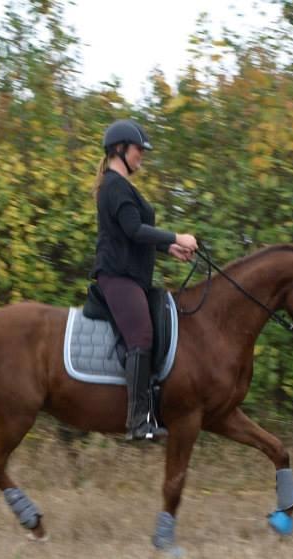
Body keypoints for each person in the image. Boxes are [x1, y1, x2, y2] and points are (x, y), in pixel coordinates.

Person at [92, 119, 199, 440]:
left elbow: (135, 234)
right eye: (139, 150)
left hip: (133, 276)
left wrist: (169, 247)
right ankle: (137, 420)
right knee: (141, 335)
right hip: (117, 277)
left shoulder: (122, 186)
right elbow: (133, 231)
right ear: (120, 149)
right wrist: (176, 234)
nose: (142, 156)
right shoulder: (114, 186)